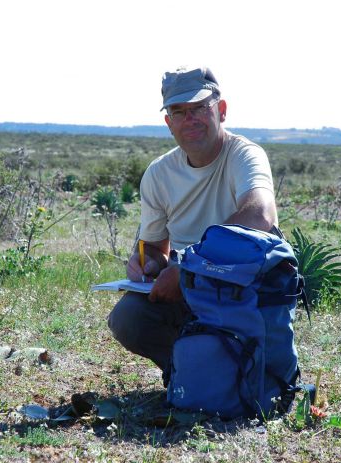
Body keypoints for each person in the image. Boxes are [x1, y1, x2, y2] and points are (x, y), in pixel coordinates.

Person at [107, 66, 278, 373]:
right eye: (179, 111)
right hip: (187, 288)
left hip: (242, 285)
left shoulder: (244, 155)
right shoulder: (159, 174)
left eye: (200, 107)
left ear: (221, 110)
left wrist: (187, 268)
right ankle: (190, 374)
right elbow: (156, 247)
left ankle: (232, 376)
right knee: (128, 318)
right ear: (168, 123)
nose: (190, 119)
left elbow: (259, 216)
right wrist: (150, 264)